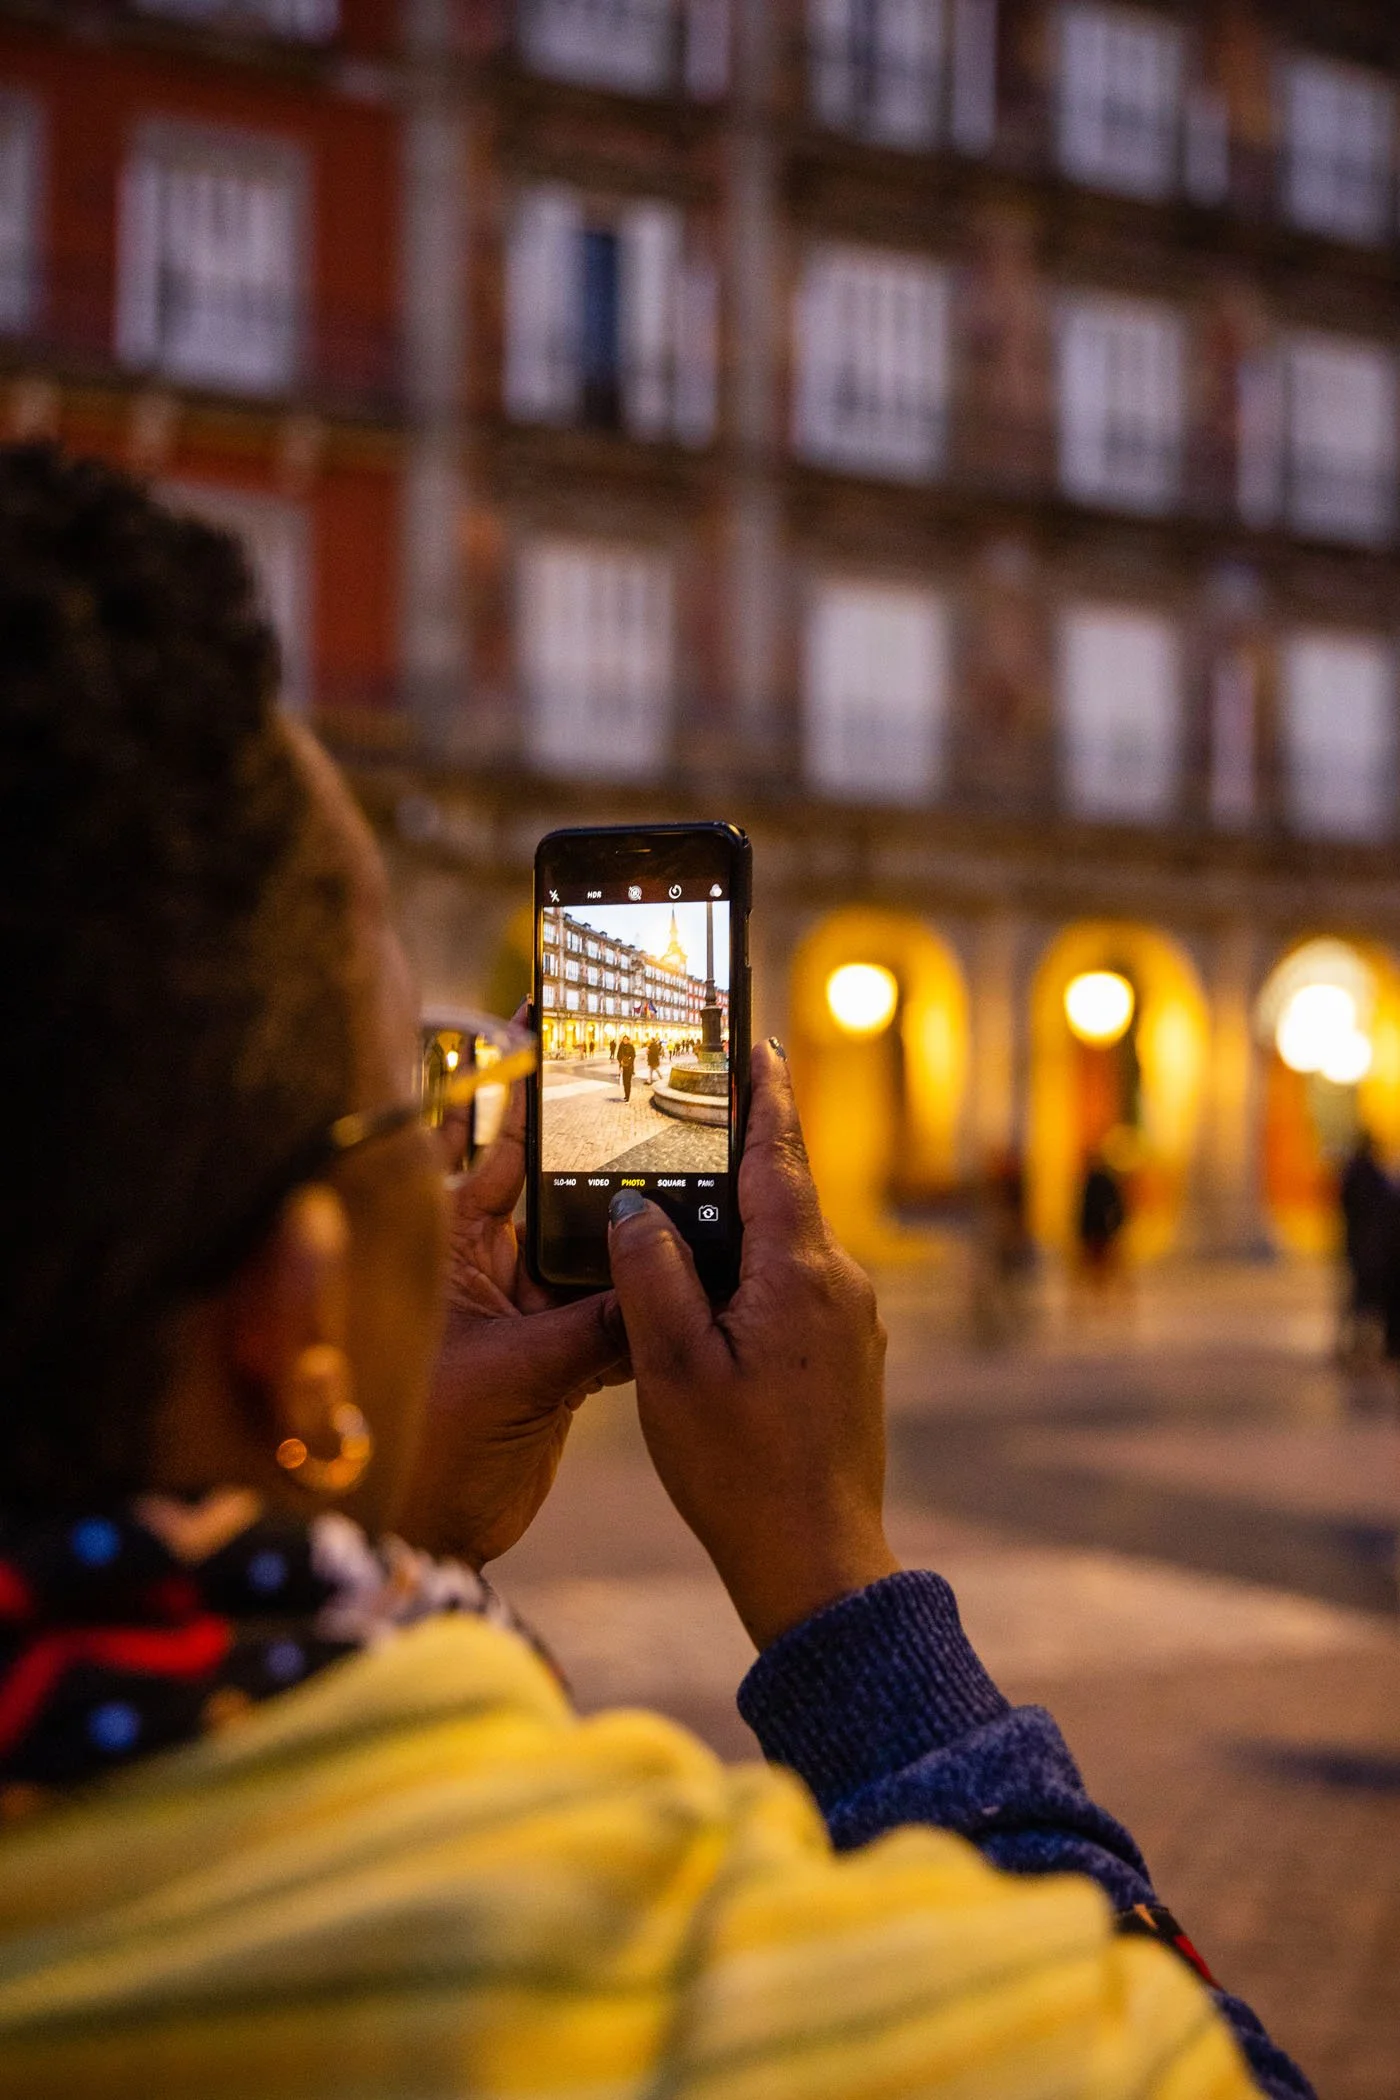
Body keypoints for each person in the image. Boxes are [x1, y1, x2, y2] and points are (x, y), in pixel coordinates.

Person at [0, 447, 1309, 2100]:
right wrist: (837, 1584)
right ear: (292, 1313)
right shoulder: (685, 2011)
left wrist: (389, 1518)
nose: (465, 1129)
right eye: (424, 1088)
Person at [1337, 1129, 1391, 1366]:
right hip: (1368, 1244)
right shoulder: (1370, 1175)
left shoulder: (1354, 1173)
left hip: (1358, 1242)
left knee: (1358, 1296)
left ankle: (1356, 1344)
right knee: (1364, 1297)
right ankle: (1360, 1345)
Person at [616, 1031, 636, 1101]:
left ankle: (628, 1097)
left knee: (628, 1082)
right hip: (623, 1067)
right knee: (624, 1082)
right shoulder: (621, 1046)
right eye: (624, 1039)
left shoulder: (631, 1047)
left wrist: (629, 1061)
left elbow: (633, 1056)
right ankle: (625, 1095)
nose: (625, 1040)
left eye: (626, 1039)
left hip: (629, 1067)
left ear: (628, 1040)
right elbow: (618, 1055)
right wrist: (620, 1061)